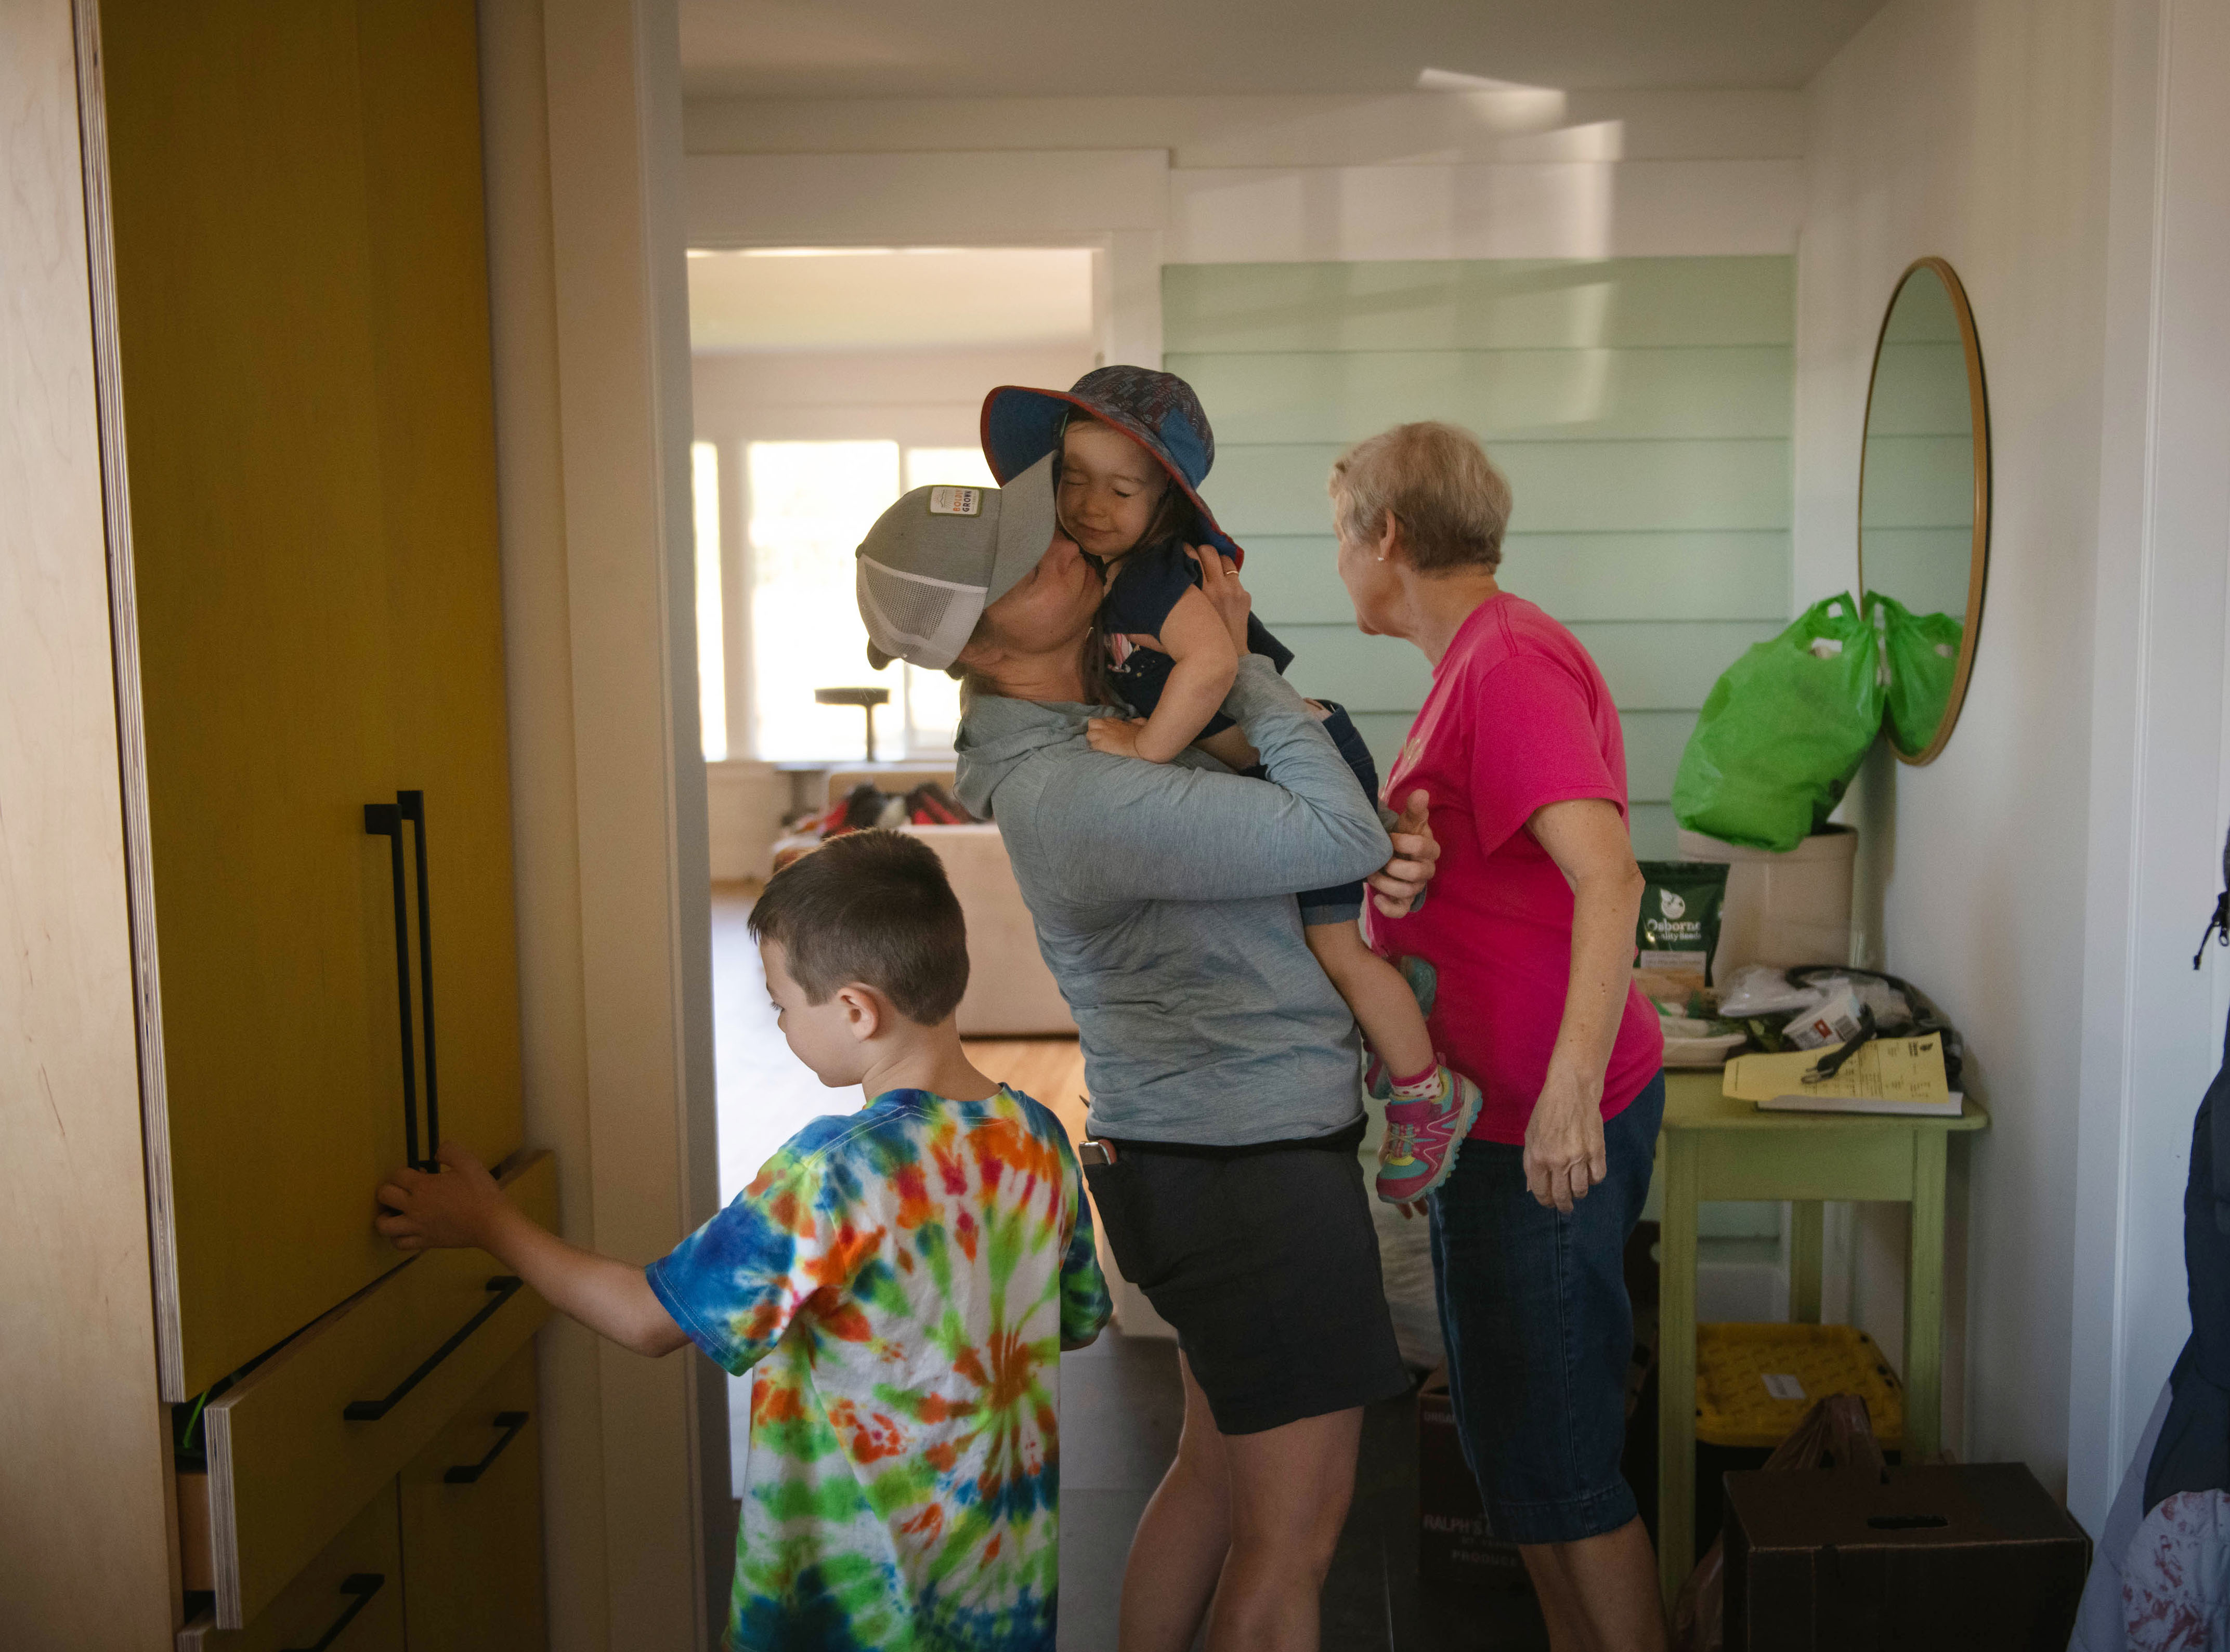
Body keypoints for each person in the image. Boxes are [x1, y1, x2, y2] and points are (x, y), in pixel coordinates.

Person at [851, 450, 1441, 1652]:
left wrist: (1382, 838)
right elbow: (1328, 823)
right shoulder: (1075, 787)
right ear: (974, 647)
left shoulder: (1095, 719)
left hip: (1198, 1155)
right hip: (1250, 1175)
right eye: (1024, 558)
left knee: (1214, 1482)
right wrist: (1244, 660)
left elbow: (1330, 839)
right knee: (1290, 1550)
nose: (1065, 536)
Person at [373, 830, 1111, 1652]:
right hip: (999, 1600)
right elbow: (1074, 1318)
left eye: (782, 1005)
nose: (783, 1025)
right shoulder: (1038, 1136)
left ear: (857, 1010)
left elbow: (651, 1318)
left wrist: (487, 1222)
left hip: (842, 1611)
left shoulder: (832, 1171)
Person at [979, 366, 1479, 1204]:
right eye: (1073, 480)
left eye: (1122, 489)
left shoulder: (1146, 578)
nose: (1090, 506)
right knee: (1339, 933)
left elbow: (1217, 662)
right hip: (1272, 760)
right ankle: (1395, 1002)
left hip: (1299, 750)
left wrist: (1146, 747)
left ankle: (1427, 1090)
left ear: (1163, 504)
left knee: (1337, 948)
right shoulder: (1111, 582)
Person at [1338, 422, 1671, 1652]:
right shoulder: (1474, 661)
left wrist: (1569, 1095)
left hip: (1544, 1121)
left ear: (1386, 535)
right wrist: (1404, 870)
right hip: (1501, 1111)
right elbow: (1495, 875)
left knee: (1564, 1465)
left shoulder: (1509, 664)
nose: (1339, 561)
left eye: (1340, 533)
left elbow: (1611, 878)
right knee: (1516, 1456)